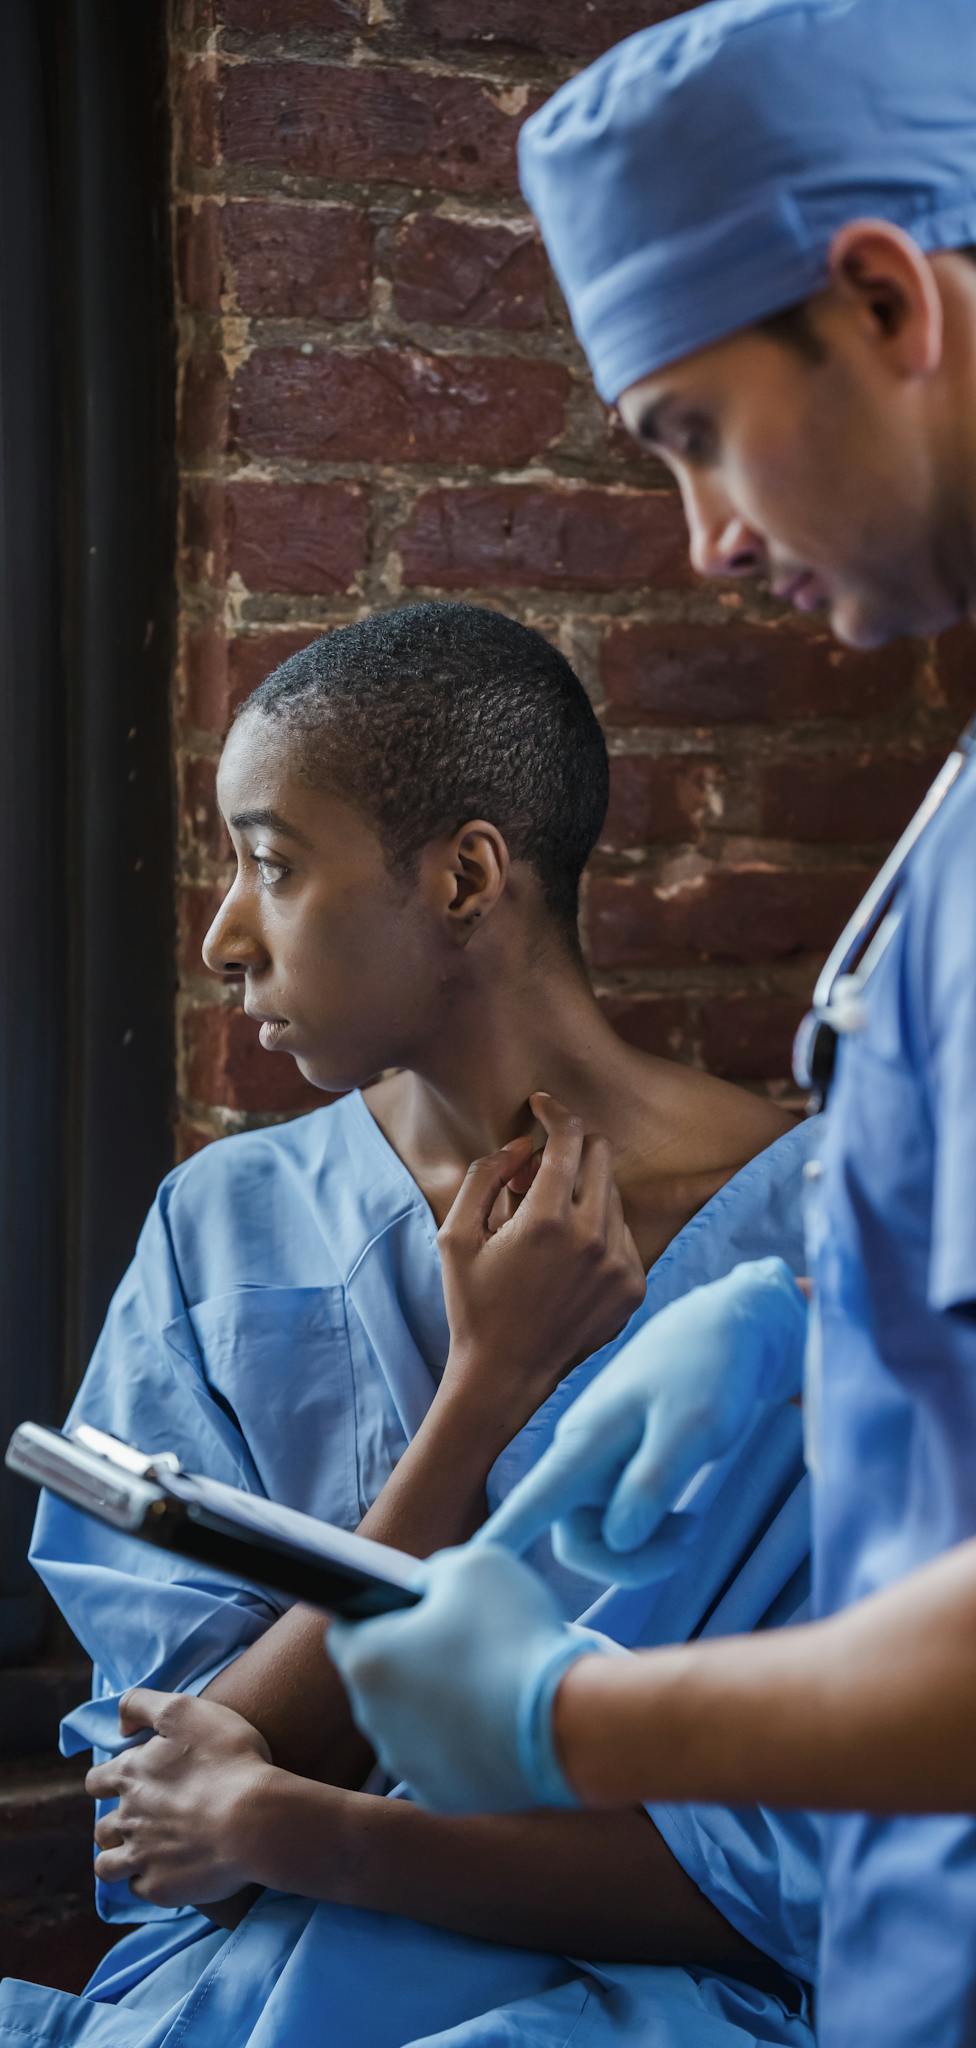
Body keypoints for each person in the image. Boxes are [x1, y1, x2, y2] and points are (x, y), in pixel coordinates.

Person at [325, 7, 976, 2045]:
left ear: (882, 296)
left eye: (689, 431)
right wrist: (821, 1320)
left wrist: (564, 1713)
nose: (705, 535)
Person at [0, 602, 822, 2048]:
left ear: (462, 878)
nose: (221, 936)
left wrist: (301, 1828)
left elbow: (804, 1870)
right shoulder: (222, 1228)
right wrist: (484, 1397)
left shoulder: (827, 1240)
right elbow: (177, 1809)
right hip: (238, 1997)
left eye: (272, 863)